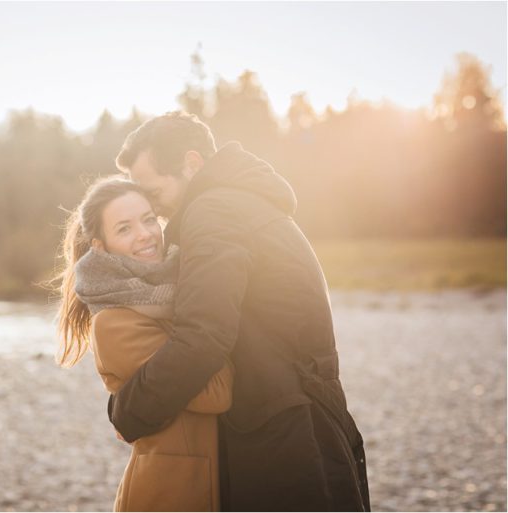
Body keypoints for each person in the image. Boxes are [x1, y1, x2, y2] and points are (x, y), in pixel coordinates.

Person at [108, 111, 371, 512]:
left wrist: (129, 410)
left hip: (283, 436)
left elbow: (203, 337)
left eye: (155, 192)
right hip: (306, 421)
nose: (156, 210)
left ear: (192, 163)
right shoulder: (244, 202)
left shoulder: (213, 212)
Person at [55, 177, 234, 511]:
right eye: (124, 229)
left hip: (214, 481)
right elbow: (217, 391)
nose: (145, 234)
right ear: (100, 246)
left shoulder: (180, 283)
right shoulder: (114, 322)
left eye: (149, 219)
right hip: (171, 492)